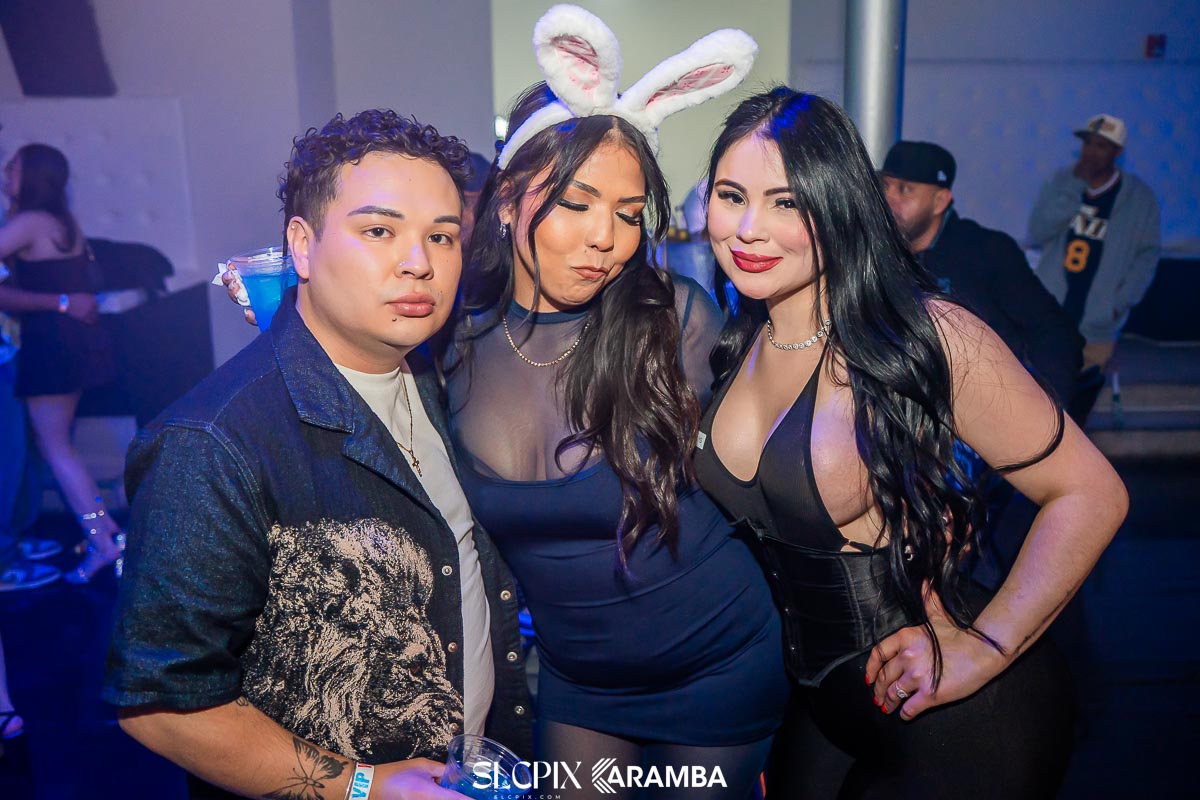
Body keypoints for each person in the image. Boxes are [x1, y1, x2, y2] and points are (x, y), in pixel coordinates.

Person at [692, 87, 1128, 799]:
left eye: (786, 202)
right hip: (819, 703)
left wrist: (985, 646)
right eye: (731, 195)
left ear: (839, 206)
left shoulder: (925, 336)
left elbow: (1091, 493)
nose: (748, 228)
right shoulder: (738, 340)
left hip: (957, 716)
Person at [104, 109, 531, 800]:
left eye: (441, 235)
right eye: (379, 231)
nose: (419, 262)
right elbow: (163, 707)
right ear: (302, 247)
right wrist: (364, 788)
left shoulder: (437, 381)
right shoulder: (211, 443)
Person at [443, 6, 786, 796]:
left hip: (718, 668)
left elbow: (782, 467)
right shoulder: (451, 347)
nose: (607, 237)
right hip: (579, 685)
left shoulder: (674, 321)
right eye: (576, 204)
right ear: (506, 200)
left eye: (629, 215)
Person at [0, 143, 123, 584]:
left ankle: (102, 542)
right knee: (59, 447)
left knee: (56, 450)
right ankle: (106, 528)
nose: (5, 172)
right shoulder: (60, 220)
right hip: (72, 343)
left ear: (32, 175)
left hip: (51, 344)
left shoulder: (30, 222)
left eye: (13, 167)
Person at [880, 140, 1082, 405]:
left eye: (905, 190)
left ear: (940, 201)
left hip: (990, 406)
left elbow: (1054, 332)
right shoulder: (877, 254)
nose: (889, 199)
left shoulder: (985, 251)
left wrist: (1043, 409)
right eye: (884, 186)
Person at [1028, 114, 1160, 377]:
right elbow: (1037, 232)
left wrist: (1120, 302)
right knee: (1040, 391)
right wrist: (1074, 189)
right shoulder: (1061, 182)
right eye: (1087, 143)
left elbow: (1147, 254)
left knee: (1083, 394)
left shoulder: (1138, 198)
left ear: (1117, 152)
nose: (1091, 152)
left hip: (1098, 324)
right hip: (1051, 315)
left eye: (1101, 146)